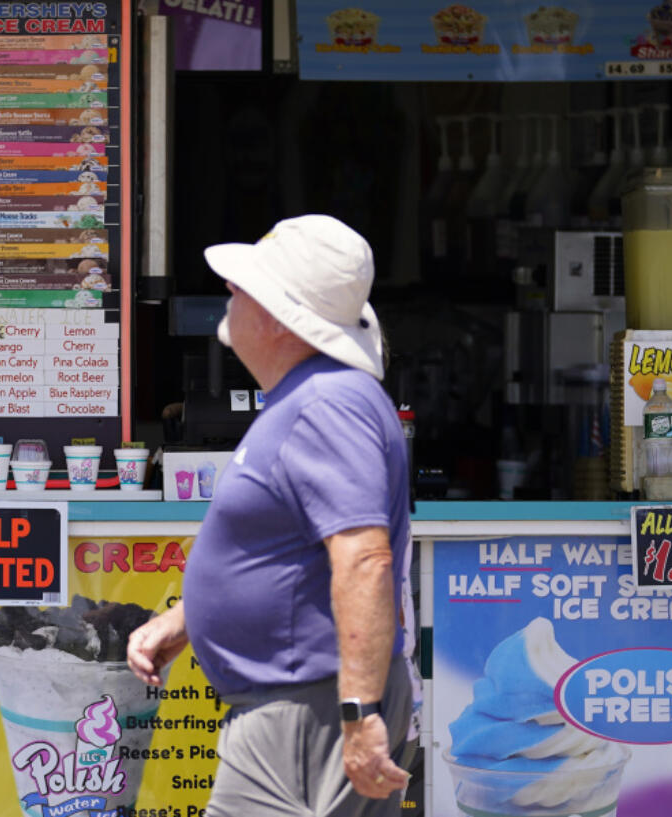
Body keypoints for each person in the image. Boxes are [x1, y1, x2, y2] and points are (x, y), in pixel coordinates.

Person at [127, 214, 414, 817]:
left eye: (246, 286)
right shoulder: (315, 396)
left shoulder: (326, 403)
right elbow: (290, 552)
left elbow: (363, 559)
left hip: (309, 712)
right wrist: (188, 620)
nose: (230, 292)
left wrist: (358, 714)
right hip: (298, 707)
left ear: (282, 317)